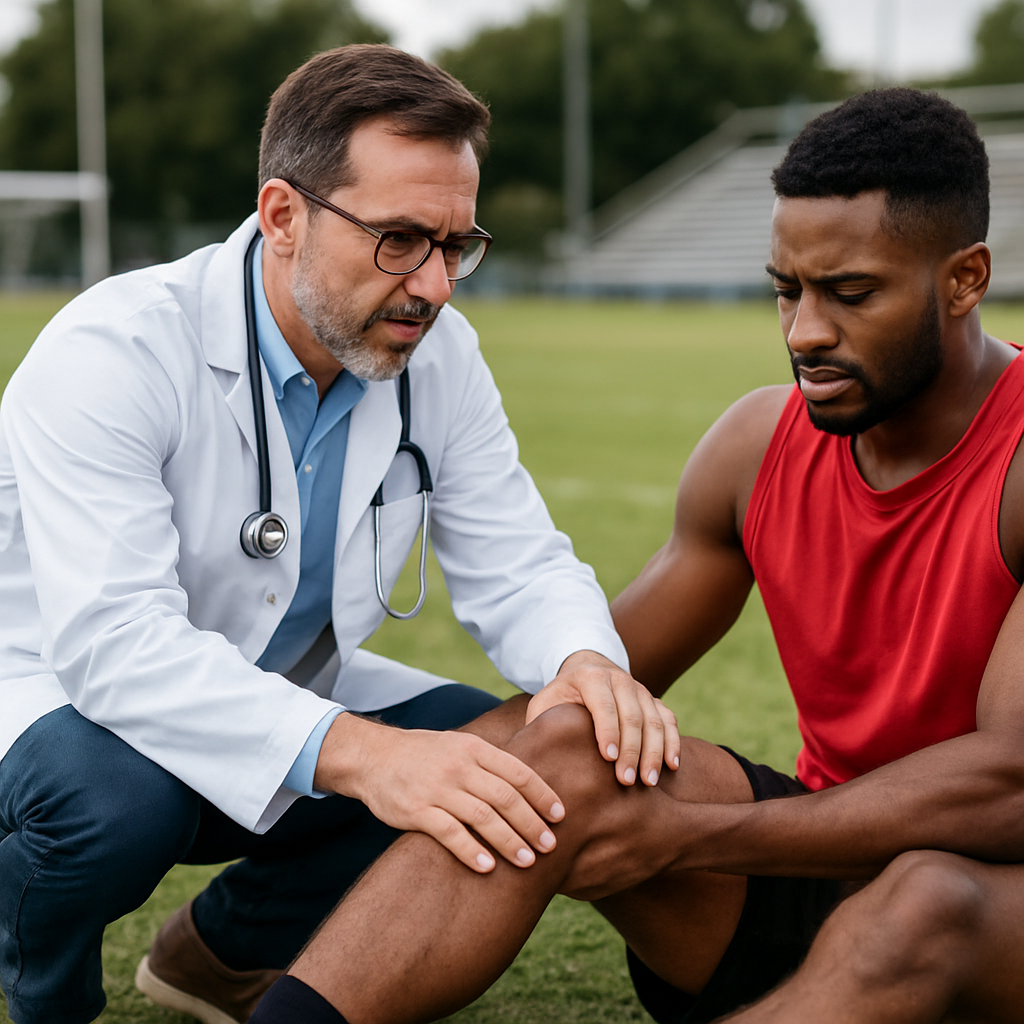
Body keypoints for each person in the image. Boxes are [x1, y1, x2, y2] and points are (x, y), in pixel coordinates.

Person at [244, 86, 1024, 1024]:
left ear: (964, 279)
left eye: (850, 295)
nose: (805, 332)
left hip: (988, 913)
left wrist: (693, 838)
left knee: (926, 901)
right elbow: (578, 700)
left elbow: (1007, 787)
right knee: (568, 739)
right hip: (815, 869)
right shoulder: (757, 449)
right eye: (788, 290)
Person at [0, 44, 678, 1024]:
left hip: (276, 677)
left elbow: (515, 553)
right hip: (60, 696)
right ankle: (42, 980)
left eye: (455, 244)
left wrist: (585, 661)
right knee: (113, 803)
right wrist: (368, 756)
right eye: (400, 238)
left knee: (499, 751)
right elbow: (116, 649)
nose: (437, 286)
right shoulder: (114, 348)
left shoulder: (435, 348)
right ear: (283, 216)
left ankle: (219, 951)